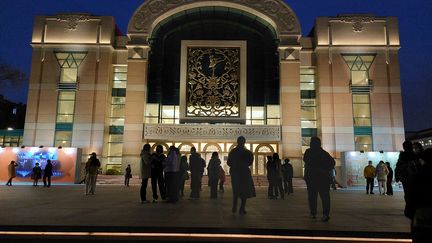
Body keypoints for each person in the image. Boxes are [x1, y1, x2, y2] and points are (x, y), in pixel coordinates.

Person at [303, 136, 335, 222]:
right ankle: (325, 214)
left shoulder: (309, 152)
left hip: (313, 178)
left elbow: (306, 160)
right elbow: (332, 163)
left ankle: (313, 213)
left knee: (313, 197)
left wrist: (318, 168)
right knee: (324, 197)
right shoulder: (324, 153)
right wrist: (324, 169)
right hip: (323, 178)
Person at [227, 136, 255, 215]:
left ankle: (234, 206)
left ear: (237, 142)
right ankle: (242, 208)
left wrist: (235, 165)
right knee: (244, 191)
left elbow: (228, 162)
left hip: (235, 172)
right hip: (244, 173)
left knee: (236, 190)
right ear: (244, 142)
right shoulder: (248, 152)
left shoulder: (233, 152)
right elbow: (250, 162)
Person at [395, 141, 419, 219]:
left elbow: (398, 165)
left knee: (407, 193)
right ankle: (411, 208)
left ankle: (408, 207)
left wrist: (397, 176)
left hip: (405, 177)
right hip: (414, 177)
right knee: (413, 193)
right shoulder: (414, 155)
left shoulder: (402, 155)